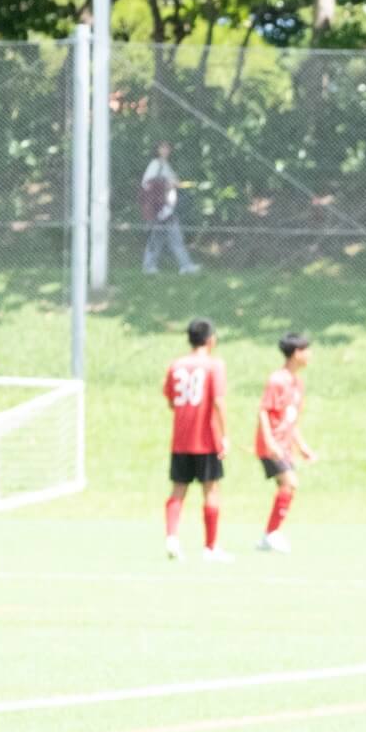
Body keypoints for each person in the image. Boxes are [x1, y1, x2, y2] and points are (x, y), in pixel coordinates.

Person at [163, 318, 230, 562]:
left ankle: (172, 538)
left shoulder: (176, 365)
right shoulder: (214, 365)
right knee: (211, 490)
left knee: (178, 489)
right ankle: (210, 548)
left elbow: (171, 399)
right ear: (211, 340)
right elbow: (218, 401)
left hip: (180, 439)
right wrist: (225, 436)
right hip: (206, 439)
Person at [254, 333, 318, 554]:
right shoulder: (277, 380)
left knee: (288, 486)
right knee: (290, 482)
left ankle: (270, 534)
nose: (310, 354)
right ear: (296, 353)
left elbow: (290, 421)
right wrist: (269, 442)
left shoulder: (297, 383)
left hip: (285, 445)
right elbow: (263, 411)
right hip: (273, 446)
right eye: (306, 350)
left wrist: (302, 447)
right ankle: (270, 534)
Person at [140, 141, 199, 276]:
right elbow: (147, 183)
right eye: (162, 148)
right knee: (174, 237)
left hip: (167, 207)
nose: (166, 150)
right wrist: (167, 184)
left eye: (167, 148)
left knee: (157, 238)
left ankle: (149, 266)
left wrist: (177, 183)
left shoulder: (165, 164)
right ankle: (185, 266)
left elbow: (173, 182)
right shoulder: (156, 164)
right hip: (160, 208)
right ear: (157, 150)